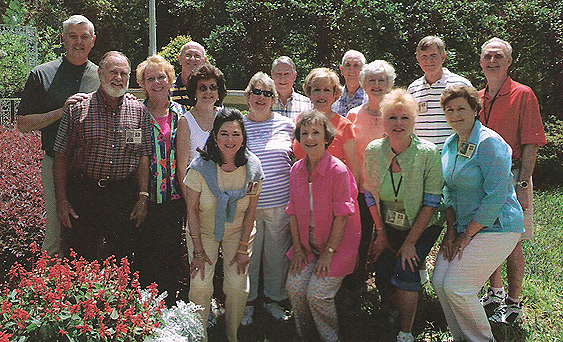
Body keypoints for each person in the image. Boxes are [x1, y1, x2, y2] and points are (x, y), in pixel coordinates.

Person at [432, 84, 524, 342]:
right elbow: (447, 191)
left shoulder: (490, 143)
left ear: (475, 110)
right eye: (449, 110)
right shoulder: (450, 145)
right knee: (440, 282)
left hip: (498, 226)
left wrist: (466, 236)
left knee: (458, 287)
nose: (455, 114)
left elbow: (495, 196)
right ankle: (461, 337)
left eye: (461, 108)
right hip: (462, 227)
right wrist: (451, 232)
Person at [53, 51, 151, 263]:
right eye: (113, 72)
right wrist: (62, 201)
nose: (118, 78)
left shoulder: (139, 111)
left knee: (122, 261)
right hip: (84, 193)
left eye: (123, 73)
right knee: (79, 260)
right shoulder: (78, 109)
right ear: (99, 73)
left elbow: (143, 155)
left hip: (123, 195)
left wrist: (143, 197)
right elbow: (60, 156)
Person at [363, 89, 443, 342]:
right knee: (384, 268)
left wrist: (410, 244)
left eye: (404, 118)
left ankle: (406, 331)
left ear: (414, 120)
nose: (398, 124)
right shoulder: (374, 150)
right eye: (392, 118)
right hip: (389, 224)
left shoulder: (428, 153)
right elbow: (369, 195)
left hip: (423, 223)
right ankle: (391, 309)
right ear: (383, 121)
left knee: (405, 268)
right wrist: (381, 234)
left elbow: (431, 203)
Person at [16, 15, 99, 257]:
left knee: (92, 230)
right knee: (55, 233)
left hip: (93, 167)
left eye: (84, 37)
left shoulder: (102, 75)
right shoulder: (42, 74)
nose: (79, 42)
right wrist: (61, 112)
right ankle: (49, 289)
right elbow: (23, 124)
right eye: (73, 36)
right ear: (63, 38)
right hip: (55, 163)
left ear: (93, 41)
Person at [477, 37, 546, 324]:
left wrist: (522, 185)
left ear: (509, 61)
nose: (492, 61)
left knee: (512, 241)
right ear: (481, 62)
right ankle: (494, 291)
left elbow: (531, 144)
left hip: (513, 175)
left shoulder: (523, 94)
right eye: (487, 57)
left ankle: (514, 302)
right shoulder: (477, 96)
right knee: (486, 235)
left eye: (498, 57)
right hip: (483, 175)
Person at [184, 108, 264, 342]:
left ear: (243, 137)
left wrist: (242, 249)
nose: (230, 140)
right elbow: (191, 210)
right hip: (204, 231)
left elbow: (251, 210)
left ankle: (232, 335)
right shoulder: (199, 167)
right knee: (200, 284)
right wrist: (198, 251)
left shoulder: (253, 168)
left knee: (238, 285)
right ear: (215, 136)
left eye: (236, 134)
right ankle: (200, 336)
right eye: (224, 134)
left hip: (238, 231)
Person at [285, 110, 361, 342]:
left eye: (316, 133)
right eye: (305, 133)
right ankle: (306, 335)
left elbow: (342, 216)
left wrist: (328, 253)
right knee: (294, 288)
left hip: (336, 247)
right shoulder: (296, 170)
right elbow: (293, 212)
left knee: (317, 294)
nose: (309, 138)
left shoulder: (337, 170)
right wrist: (298, 247)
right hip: (309, 245)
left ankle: (330, 337)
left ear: (327, 138)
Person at [241, 72, 295, 325]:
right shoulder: (238, 124)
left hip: (279, 203)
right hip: (246, 204)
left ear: (274, 98)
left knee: (277, 255)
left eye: (267, 93)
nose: (261, 97)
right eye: (256, 91)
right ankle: (247, 303)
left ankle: (274, 299)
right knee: (247, 256)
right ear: (247, 96)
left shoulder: (287, 124)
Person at [135, 55, 186, 306]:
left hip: (174, 197)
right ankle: (144, 309)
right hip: (143, 196)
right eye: (150, 78)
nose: (157, 82)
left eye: (161, 77)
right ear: (143, 84)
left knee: (170, 253)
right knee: (144, 253)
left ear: (170, 80)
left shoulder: (180, 114)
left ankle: (167, 307)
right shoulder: (135, 113)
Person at [344, 60, 395, 294]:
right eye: (371, 80)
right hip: (361, 190)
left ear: (389, 84)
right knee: (360, 238)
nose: (376, 85)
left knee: (389, 239)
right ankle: (357, 286)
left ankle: (386, 288)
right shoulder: (353, 115)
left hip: (391, 191)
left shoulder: (397, 114)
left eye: (381, 80)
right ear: (363, 84)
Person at [293, 68, 360, 183]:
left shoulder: (344, 125)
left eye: (327, 90)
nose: (321, 95)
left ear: (335, 94)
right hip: (302, 188)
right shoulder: (301, 120)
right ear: (309, 93)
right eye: (317, 90)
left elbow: (353, 170)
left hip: (333, 191)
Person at [407, 36, 472, 151]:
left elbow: (471, 121)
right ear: (418, 60)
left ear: (443, 57)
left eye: (433, 55)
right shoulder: (412, 89)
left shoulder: (460, 84)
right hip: (423, 159)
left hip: (453, 156)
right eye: (424, 56)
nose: (428, 61)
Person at [176, 64, 227, 199]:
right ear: (194, 92)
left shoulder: (224, 117)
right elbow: (181, 170)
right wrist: (189, 205)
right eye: (202, 88)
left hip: (224, 191)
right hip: (196, 193)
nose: (208, 92)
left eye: (212, 87)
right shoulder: (185, 122)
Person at [270, 56, 312, 121]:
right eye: (278, 74)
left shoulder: (307, 104)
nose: (282, 78)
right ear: (272, 76)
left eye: (287, 74)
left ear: (294, 76)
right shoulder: (264, 103)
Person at [170, 41, 208, 107]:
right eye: (188, 55)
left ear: (204, 61)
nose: (192, 59)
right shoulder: (168, 87)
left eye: (197, 56)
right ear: (179, 59)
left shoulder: (210, 88)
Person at [332, 50, 368, 116]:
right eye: (347, 65)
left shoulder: (370, 99)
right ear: (341, 69)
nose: (351, 70)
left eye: (356, 65)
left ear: (363, 70)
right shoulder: (333, 99)